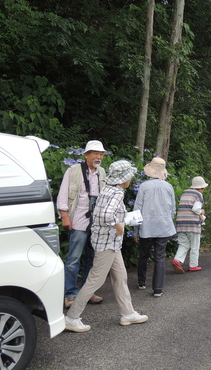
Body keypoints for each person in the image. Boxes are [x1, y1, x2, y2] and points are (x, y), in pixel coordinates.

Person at [65, 160, 148, 332]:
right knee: (95, 280)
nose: (131, 179)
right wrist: (118, 226)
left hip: (109, 242)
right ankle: (71, 317)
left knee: (120, 277)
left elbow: (101, 213)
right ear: (122, 178)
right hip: (107, 243)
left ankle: (128, 313)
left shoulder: (108, 188)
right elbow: (105, 215)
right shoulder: (117, 192)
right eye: (129, 176)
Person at [57, 140, 106, 309]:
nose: (98, 156)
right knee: (73, 259)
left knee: (92, 259)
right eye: (95, 153)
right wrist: (64, 215)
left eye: (101, 154)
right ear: (86, 155)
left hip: (97, 222)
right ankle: (70, 293)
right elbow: (63, 193)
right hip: (78, 219)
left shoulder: (102, 172)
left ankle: (87, 291)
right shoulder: (74, 171)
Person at [132, 157, 176, 297]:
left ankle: (142, 282)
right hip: (163, 225)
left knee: (143, 255)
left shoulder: (144, 186)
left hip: (147, 225)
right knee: (160, 256)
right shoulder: (168, 186)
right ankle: (158, 289)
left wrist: (135, 230)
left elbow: (137, 208)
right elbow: (172, 209)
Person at [171, 176, 208, 273]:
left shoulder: (185, 192)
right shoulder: (198, 195)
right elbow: (195, 209)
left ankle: (177, 260)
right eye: (203, 188)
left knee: (184, 243)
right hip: (192, 224)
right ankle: (193, 265)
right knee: (195, 245)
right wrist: (201, 212)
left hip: (180, 223)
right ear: (200, 188)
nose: (203, 190)